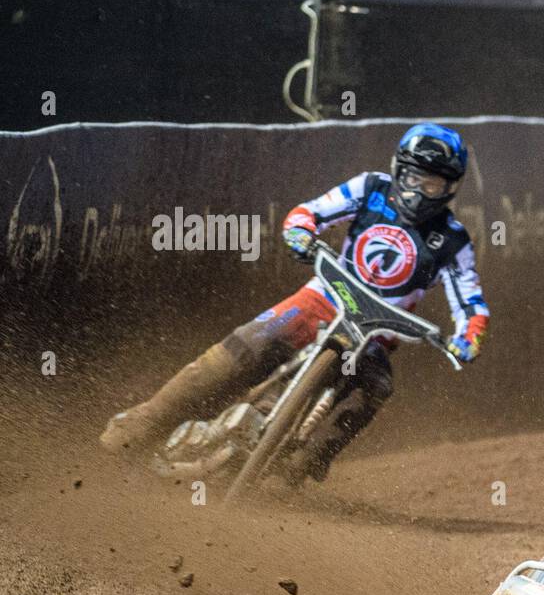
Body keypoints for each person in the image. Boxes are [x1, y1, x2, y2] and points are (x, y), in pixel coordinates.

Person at [100, 122, 489, 481]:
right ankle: (137, 428)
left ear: (450, 188)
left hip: (375, 336)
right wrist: (301, 232)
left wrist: (468, 337)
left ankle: (301, 470)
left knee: (378, 388)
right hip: (320, 300)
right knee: (239, 351)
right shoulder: (371, 188)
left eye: (433, 184)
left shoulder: (453, 241)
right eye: (413, 178)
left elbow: (470, 303)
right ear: (398, 169)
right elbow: (311, 211)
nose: (419, 191)